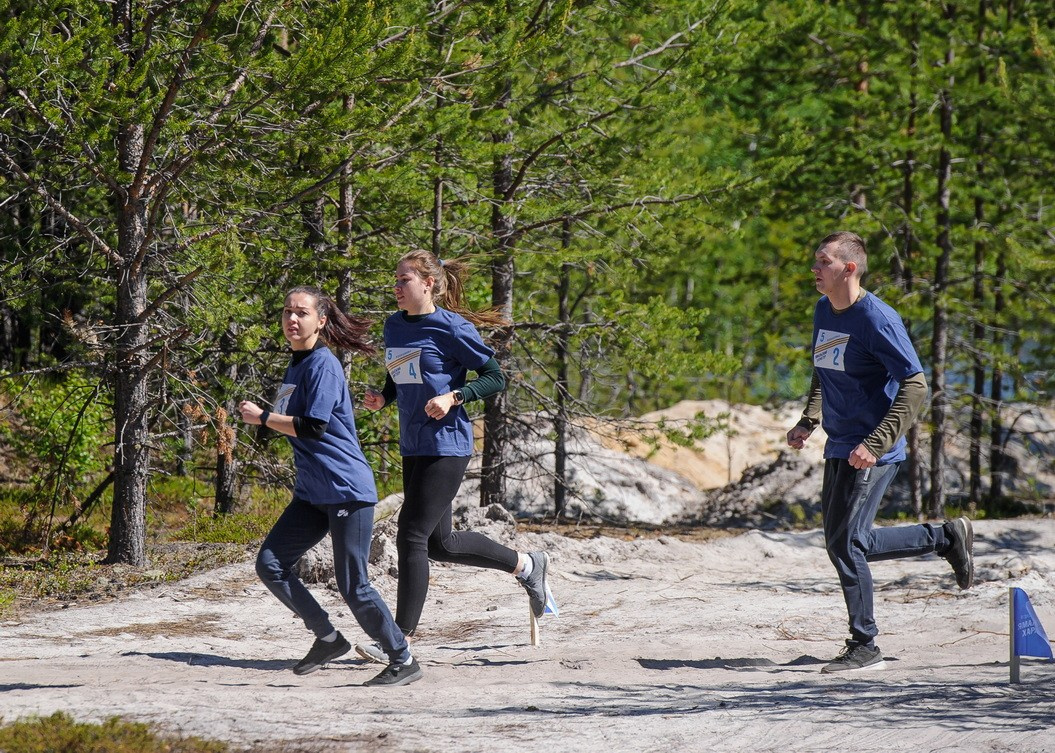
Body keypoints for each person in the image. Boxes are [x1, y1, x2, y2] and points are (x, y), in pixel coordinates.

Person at [354, 250, 556, 664]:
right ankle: (526, 565)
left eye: (403, 279)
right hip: (414, 443)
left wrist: (455, 396)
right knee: (440, 544)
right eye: (395, 279)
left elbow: (495, 377)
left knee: (410, 534)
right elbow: (402, 373)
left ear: (427, 284)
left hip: (447, 444)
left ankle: (399, 638)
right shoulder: (395, 325)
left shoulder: (451, 327)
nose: (395, 286)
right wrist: (384, 396)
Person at [785, 231, 974, 674]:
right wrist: (809, 420)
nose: (814, 268)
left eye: (823, 261)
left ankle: (865, 643)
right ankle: (944, 537)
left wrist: (876, 443)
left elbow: (915, 383)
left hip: (872, 450)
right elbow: (824, 370)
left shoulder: (877, 319)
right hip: (840, 442)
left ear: (848, 268)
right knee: (844, 542)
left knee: (848, 543)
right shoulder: (823, 310)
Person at [239, 286, 422, 687]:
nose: (292, 319)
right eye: (287, 311)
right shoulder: (296, 365)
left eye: (302, 313)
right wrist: (266, 420)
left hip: (345, 489)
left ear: (320, 321)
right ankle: (327, 637)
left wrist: (264, 417)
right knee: (270, 564)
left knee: (353, 584)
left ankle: (402, 657)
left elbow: (313, 426)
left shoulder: (323, 364)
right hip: (311, 492)